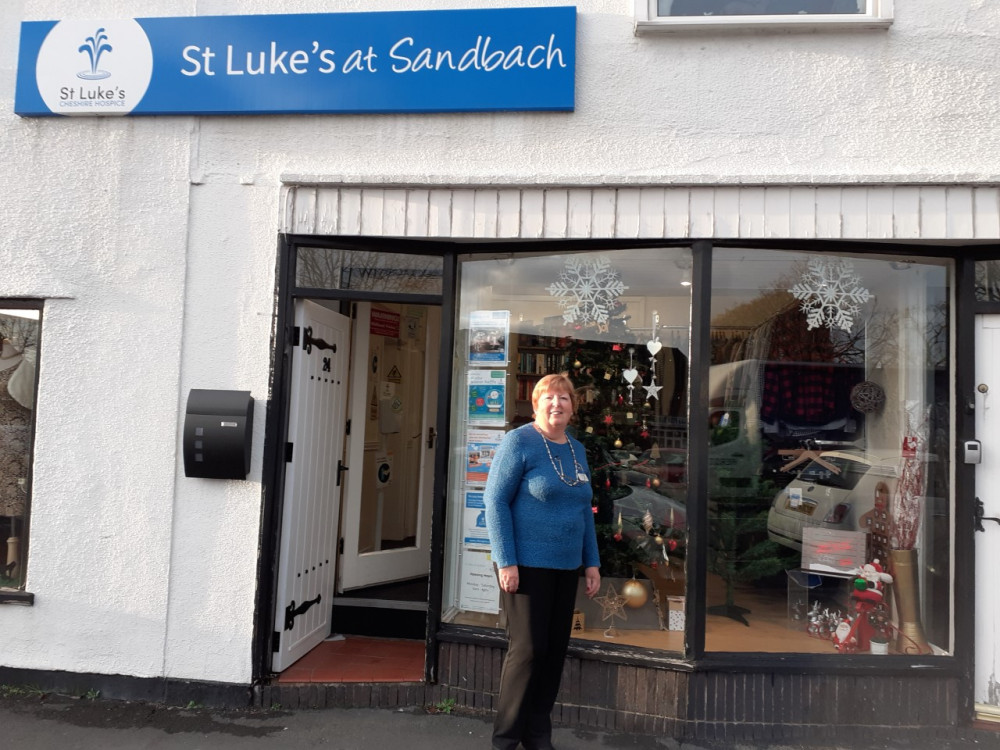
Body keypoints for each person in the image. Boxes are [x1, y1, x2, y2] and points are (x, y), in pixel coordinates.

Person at [484, 373, 601, 750]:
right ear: (535, 404)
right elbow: (495, 501)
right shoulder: (518, 442)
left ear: (573, 406)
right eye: (549, 398)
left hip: (566, 567)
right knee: (528, 651)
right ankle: (505, 739)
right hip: (526, 567)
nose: (557, 404)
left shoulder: (577, 449)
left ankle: (537, 735)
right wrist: (506, 562)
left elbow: (585, 510)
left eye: (564, 398)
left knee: (553, 652)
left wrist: (592, 563)